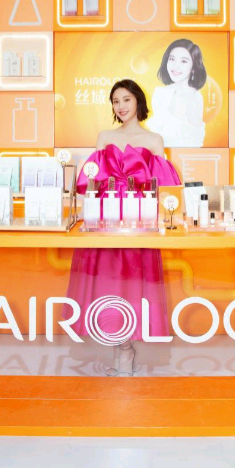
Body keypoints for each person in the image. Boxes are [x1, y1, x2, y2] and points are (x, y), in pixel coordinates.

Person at [64, 79, 180, 376]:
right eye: (115, 101)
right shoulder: (105, 137)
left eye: (126, 99)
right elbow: (90, 182)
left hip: (138, 219)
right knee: (108, 284)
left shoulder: (154, 140)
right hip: (105, 219)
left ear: (138, 101)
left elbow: (163, 188)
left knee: (132, 283)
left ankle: (126, 351)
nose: (121, 106)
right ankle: (120, 347)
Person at [146, 38, 207, 147]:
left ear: (193, 67)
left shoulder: (194, 97)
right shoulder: (160, 93)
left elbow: (194, 142)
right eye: (172, 59)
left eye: (183, 61)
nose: (175, 66)